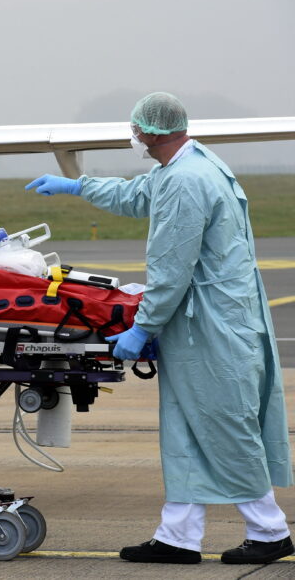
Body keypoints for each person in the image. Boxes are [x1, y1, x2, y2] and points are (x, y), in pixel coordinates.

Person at [26, 92, 292, 565]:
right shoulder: (189, 165)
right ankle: (178, 536)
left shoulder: (186, 181)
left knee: (224, 423)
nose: (133, 135)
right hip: (202, 324)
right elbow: (135, 196)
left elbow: (171, 268)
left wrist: (142, 327)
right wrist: (77, 186)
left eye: (136, 128)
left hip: (210, 326)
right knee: (188, 425)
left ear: (150, 131)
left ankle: (270, 530)